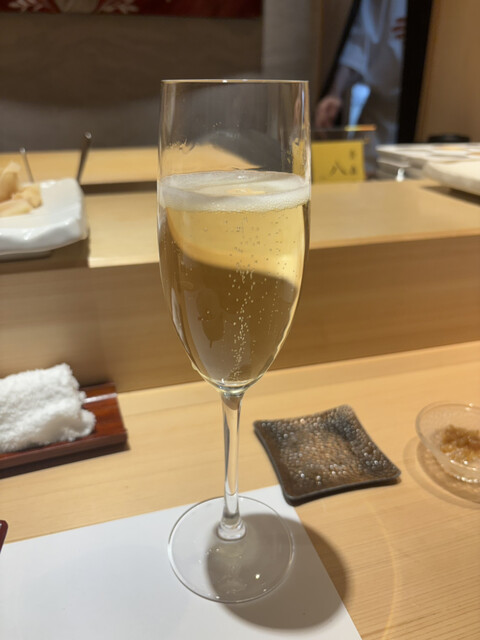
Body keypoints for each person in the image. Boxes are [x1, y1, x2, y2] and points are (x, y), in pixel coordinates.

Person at [315, 0, 407, 173]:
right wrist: (335, 92)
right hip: (378, 109)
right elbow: (360, 41)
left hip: (429, 111)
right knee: (368, 170)